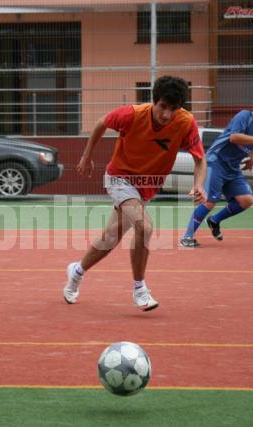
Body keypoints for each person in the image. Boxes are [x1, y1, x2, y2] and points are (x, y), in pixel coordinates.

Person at [63, 76, 207, 311]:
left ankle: (76, 272)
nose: (167, 115)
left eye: (173, 109)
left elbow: (200, 160)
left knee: (110, 237)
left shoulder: (185, 121)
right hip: (120, 177)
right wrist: (86, 156)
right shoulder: (131, 114)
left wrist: (199, 184)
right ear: (154, 102)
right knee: (144, 227)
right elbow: (101, 123)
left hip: (146, 186)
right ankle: (139, 288)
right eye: (163, 107)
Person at [180, 94, 253, 247]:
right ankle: (187, 236)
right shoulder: (244, 116)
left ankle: (214, 220)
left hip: (232, 168)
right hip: (216, 161)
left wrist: (252, 157)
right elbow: (234, 137)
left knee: (246, 200)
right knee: (210, 200)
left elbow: (251, 143)